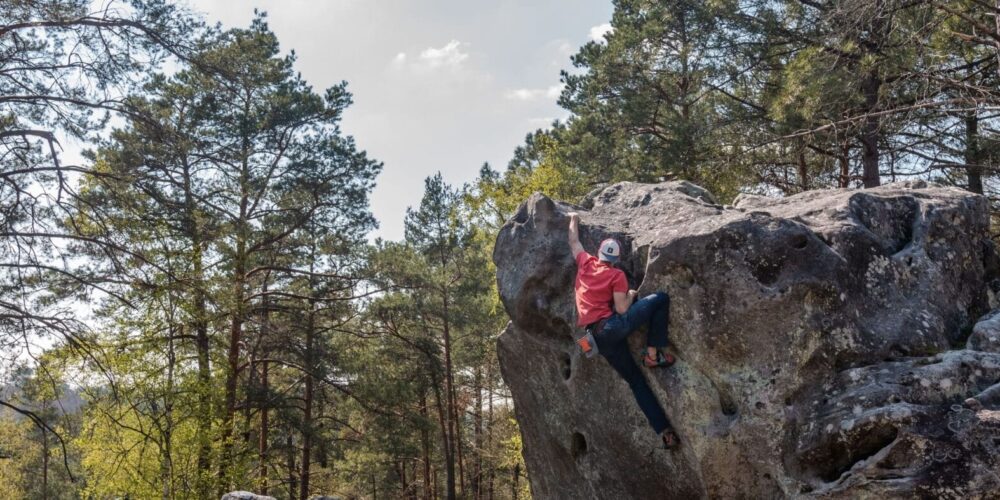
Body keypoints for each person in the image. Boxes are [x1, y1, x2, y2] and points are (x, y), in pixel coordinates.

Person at [567, 211, 680, 449]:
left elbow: (574, 241)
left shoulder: (585, 263)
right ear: (616, 259)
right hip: (611, 327)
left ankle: (665, 432)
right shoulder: (616, 274)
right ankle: (652, 355)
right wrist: (631, 293)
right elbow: (621, 308)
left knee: (636, 382)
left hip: (595, 339)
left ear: (599, 253)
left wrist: (574, 219)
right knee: (661, 299)